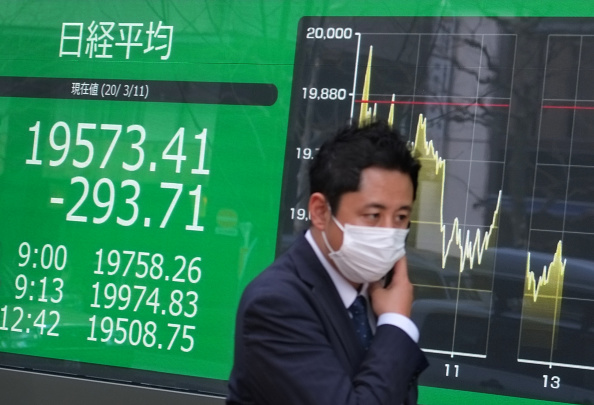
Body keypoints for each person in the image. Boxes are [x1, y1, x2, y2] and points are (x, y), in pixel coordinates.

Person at [227, 121, 429, 405]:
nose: (389, 231)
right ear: (320, 211)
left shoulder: (376, 294)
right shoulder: (275, 304)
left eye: (400, 217)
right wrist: (396, 325)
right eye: (373, 215)